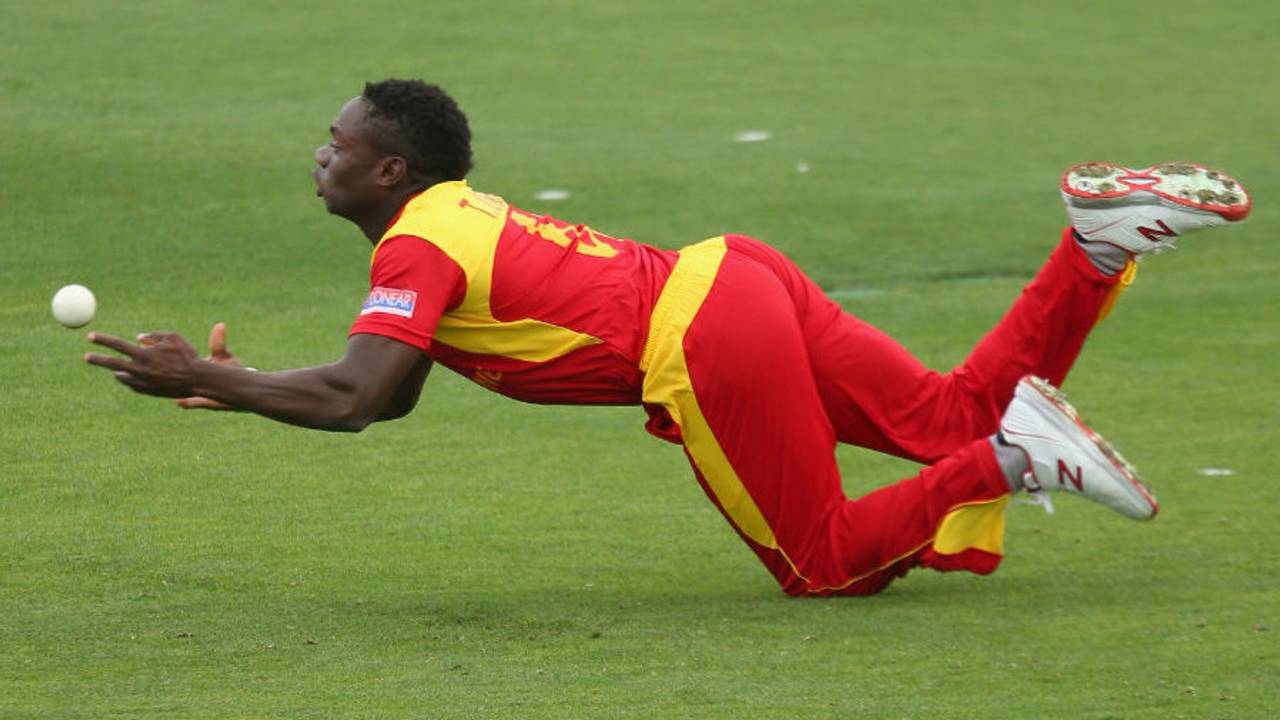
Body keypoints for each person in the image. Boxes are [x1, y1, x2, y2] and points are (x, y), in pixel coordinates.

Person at [84, 79, 1253, 597]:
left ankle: (1018, 453)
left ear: (390, 168)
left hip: (701, 336)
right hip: (736, 273)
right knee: (939, 416)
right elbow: (383, 395)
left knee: (820, 563)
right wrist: (237, 384)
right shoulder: (443, 224)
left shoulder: (414, 248)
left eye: (333, 142)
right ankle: (1094, 246)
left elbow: (350, 395)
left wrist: (209, 377)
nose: (319, 154)